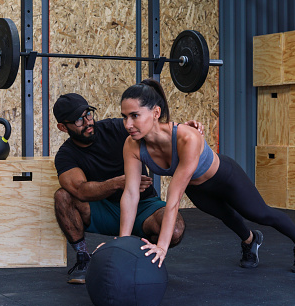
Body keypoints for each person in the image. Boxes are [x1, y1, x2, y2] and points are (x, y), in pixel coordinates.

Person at [119, 79, 295, 274]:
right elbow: (130, 193)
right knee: (226, 215)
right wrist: (123, 242)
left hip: (224, 178)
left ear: (156, 112)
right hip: (196, 188)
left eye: (134, 115)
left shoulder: (187, 137)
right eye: (124, 117)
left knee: (260, 214)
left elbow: (173, 198)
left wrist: (161, 247)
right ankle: (250, 240)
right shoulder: (132, 145)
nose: (128, 124)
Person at [53, 93, 204, 284]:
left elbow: (151, 127)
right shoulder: (66, 155)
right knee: (63, 196)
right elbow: (80, 190)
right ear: (63, 127)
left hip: (143, 206)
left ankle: (144, 260)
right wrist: (117, 183)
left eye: (88, 114)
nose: (87, 122)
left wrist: (181, 130)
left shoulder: (117, 128)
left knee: (174, 230)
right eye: (78, 120)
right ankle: (84, 259)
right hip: (104, 210)